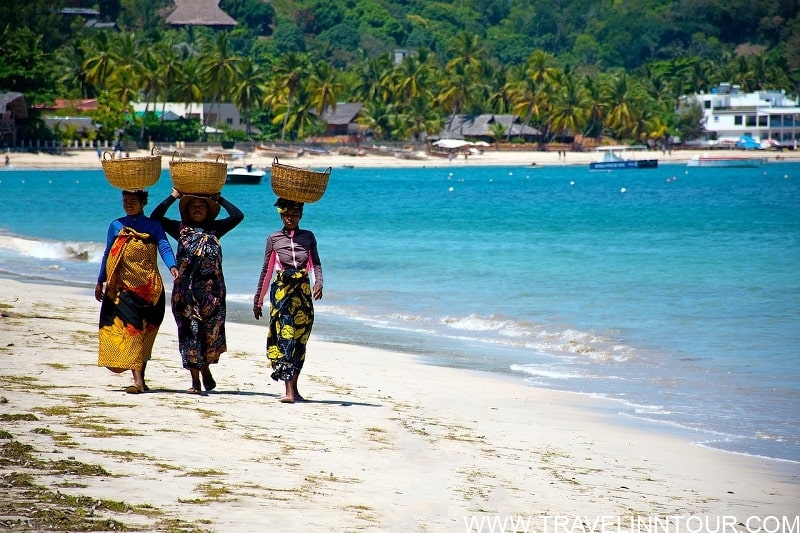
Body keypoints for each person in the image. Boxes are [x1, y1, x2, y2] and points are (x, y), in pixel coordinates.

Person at [151, 188, 244, 395]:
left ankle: (205, 368)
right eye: (193, 206)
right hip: (186, 294)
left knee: (209, 336)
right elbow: (155, 217)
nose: (197, 209)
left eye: (202, 206)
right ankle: (195, 381)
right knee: (189, 333)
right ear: (186, 211)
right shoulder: (179, 228)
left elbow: (238, 215)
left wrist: (219, 198)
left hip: (213, 295)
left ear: (208, 211)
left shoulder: (215, 229)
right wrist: (173, 196)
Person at [96, 190, 179, 394]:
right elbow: (108, 253)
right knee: (131, 331)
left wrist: (173, 267)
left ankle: (141, 378)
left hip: (150, 289)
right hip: (123, 289)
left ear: (143, 203)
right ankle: (138, 381)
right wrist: (100, 280)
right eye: (125, 201)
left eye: (133, 201)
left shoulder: (153, 226)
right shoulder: (116, 225)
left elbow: (165, 248)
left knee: (144, 334)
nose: (128, 204)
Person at [253, 198, 323, 403]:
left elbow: (315, 263)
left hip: (302, 294)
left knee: (300, 340)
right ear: (281, 216)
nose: (290, 218)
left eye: (294, 215)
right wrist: (258, 300)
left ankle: (295, 388)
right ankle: (288, 391)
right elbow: (266, 270)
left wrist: (318, 282)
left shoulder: (308, 237)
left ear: (300, 215)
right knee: (285, 337)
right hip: (282, 294)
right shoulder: (273, 238)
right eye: (286, 215)